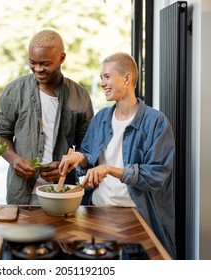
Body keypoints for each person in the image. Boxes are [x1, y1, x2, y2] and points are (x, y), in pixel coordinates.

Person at [58, 52, 176, 259]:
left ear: (127, 78)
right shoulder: (101, 117)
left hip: (136, 218)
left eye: (107, 77)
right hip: (97, 213)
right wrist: (79, 158)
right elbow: (89, 155)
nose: (102, 83)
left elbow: (157, 175)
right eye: (101, 77)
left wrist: (110, 169)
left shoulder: (156, 122)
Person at [0, 29, 94, 205]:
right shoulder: (14, 91)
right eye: (32, 63)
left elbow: (87, 148)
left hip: (62, 193)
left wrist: (67, 166)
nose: (38, 69)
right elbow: (2, 135)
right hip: (21, 194)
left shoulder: (80, 96)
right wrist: (13, 159)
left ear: (62, 58)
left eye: (45, 64)